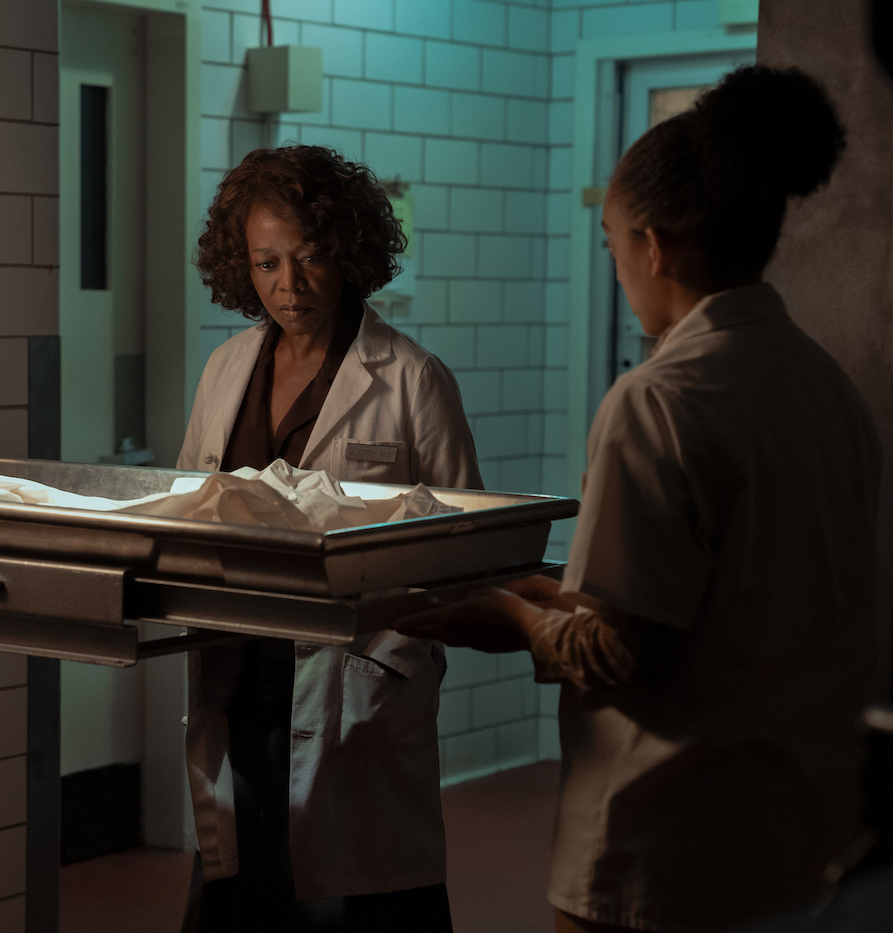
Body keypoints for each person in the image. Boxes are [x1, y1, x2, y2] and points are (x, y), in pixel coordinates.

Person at [396, 66, 882, 932]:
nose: (618, 266)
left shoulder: (658, 399)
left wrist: (506, 618)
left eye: (613, 244)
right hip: (797, 830)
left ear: (654, 245)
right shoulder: (826, 387)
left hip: (663, 842)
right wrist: (551, 595)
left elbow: (623, 654)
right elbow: (729, 603)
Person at [177, 144, 481, 932]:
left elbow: (464, 553)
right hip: (239, 677)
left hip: (357, 689)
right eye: (266, 263)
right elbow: (188, 505)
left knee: (360, 904)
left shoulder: (412, 379)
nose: (288, 286)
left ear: (347, 251)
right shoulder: (225, 369)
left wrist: (396, 664)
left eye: (309, 258)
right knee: (242, 897)